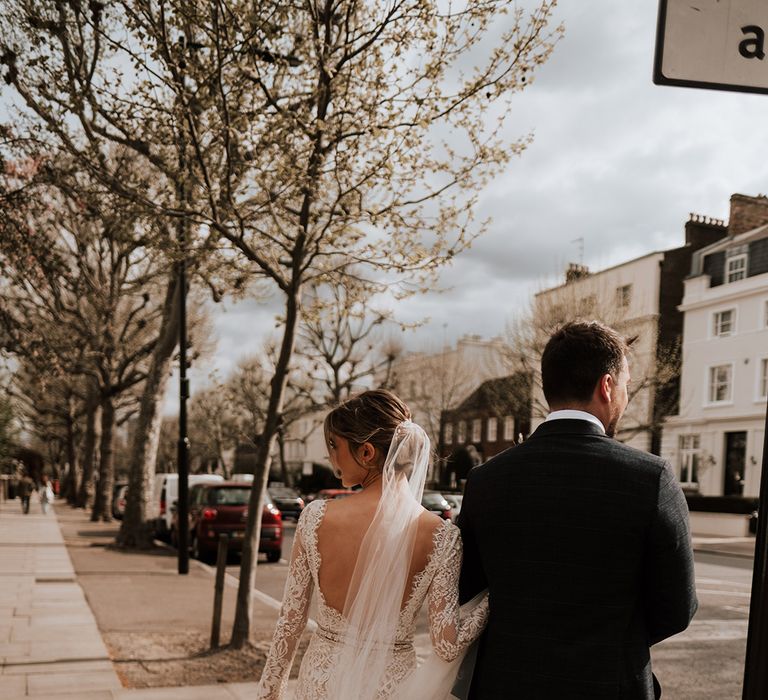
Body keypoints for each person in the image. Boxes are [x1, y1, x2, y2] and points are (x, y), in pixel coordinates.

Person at [459, 320, 697, 699]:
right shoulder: (651, 478)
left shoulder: (486, 479)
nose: (626, 397)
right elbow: (677, 607)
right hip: (607, 683)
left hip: (504, 683)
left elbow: (467, 588)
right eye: (626, 385)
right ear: (606, 385)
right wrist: (609, 638)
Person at [256, 389, 488, 700]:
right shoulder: (442, 536)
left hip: (321, 682)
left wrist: (269, 694)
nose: (330, 457)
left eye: (333, 445)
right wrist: (491, 602)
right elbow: (447, 645)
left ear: (366, 453)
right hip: (391, 688)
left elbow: (290, 623)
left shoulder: (316, 518)